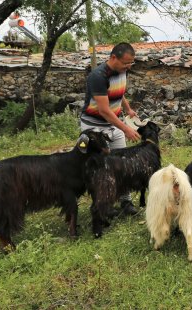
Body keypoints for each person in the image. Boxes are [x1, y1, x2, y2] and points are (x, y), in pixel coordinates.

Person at [80, 42, 141, 216]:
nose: (128, 67)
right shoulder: (97, 76)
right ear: (113, 58)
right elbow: (104, 111)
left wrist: (127, 108)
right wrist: (126, 129)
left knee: (122, 162)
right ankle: (102, 205)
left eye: (131, 63)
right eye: (125, 63)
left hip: (113, 124)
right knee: (100, 166)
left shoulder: (122, 71)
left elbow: (119, 93)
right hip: (94, 127)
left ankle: (125, 201)